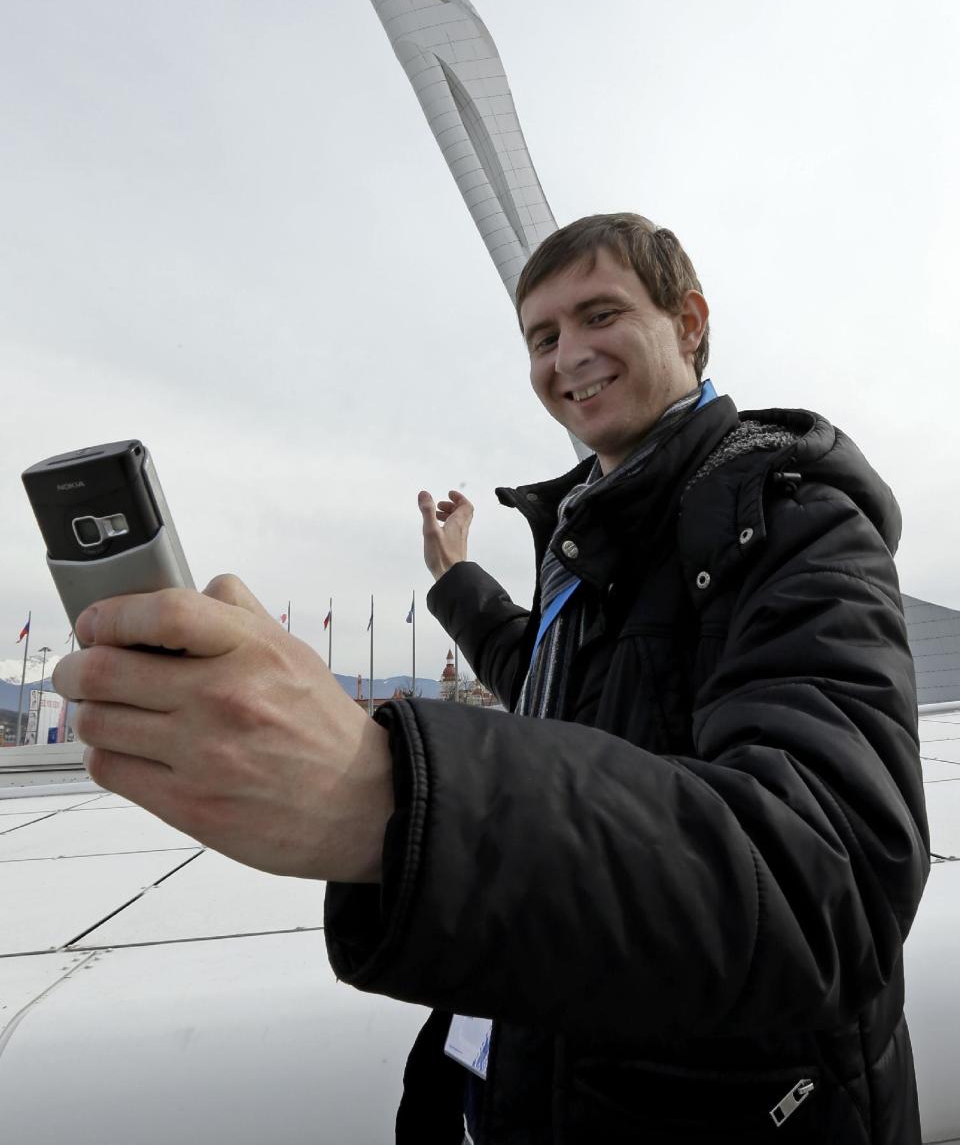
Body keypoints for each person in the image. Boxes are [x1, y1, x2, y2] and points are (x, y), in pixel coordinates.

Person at [53, 212, 928, 1145]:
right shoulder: (591, 534)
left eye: (600, 315)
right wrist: (455, 574)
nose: (568, 355)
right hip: (543, 1074)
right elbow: (553, 690)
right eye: (542, 337)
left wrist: (389, 796)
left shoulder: (794, 524)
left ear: (690, 320)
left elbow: (827, 881)